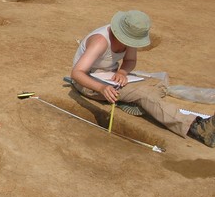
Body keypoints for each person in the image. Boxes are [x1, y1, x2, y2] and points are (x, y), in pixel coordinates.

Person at [70, 10, 215, 147]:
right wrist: (102, 88)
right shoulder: (100, 42)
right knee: (145, 94)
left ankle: (136, 102)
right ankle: (195, 127)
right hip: (89, 82)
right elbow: (77, 73)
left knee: (157, 83)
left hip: (110, 77)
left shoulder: (129, 40)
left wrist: (122, 73)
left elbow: (130, 61)